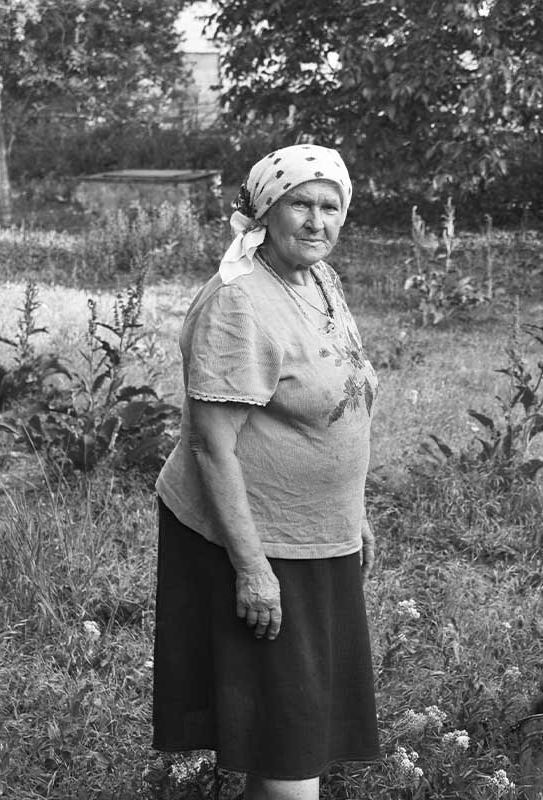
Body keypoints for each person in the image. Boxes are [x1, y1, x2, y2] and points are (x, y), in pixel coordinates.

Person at [152, 143, 380, 800]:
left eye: (329, 207)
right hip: (254, 539)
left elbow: (341, 402)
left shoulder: (319, 281)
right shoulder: (239, 303)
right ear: (265, 212)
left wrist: (352, 513)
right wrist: (252, 570)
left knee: (291, 731)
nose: (316, 222)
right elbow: (210, 446)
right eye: (300, 205)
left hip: (315, 534)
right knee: (288, 739)